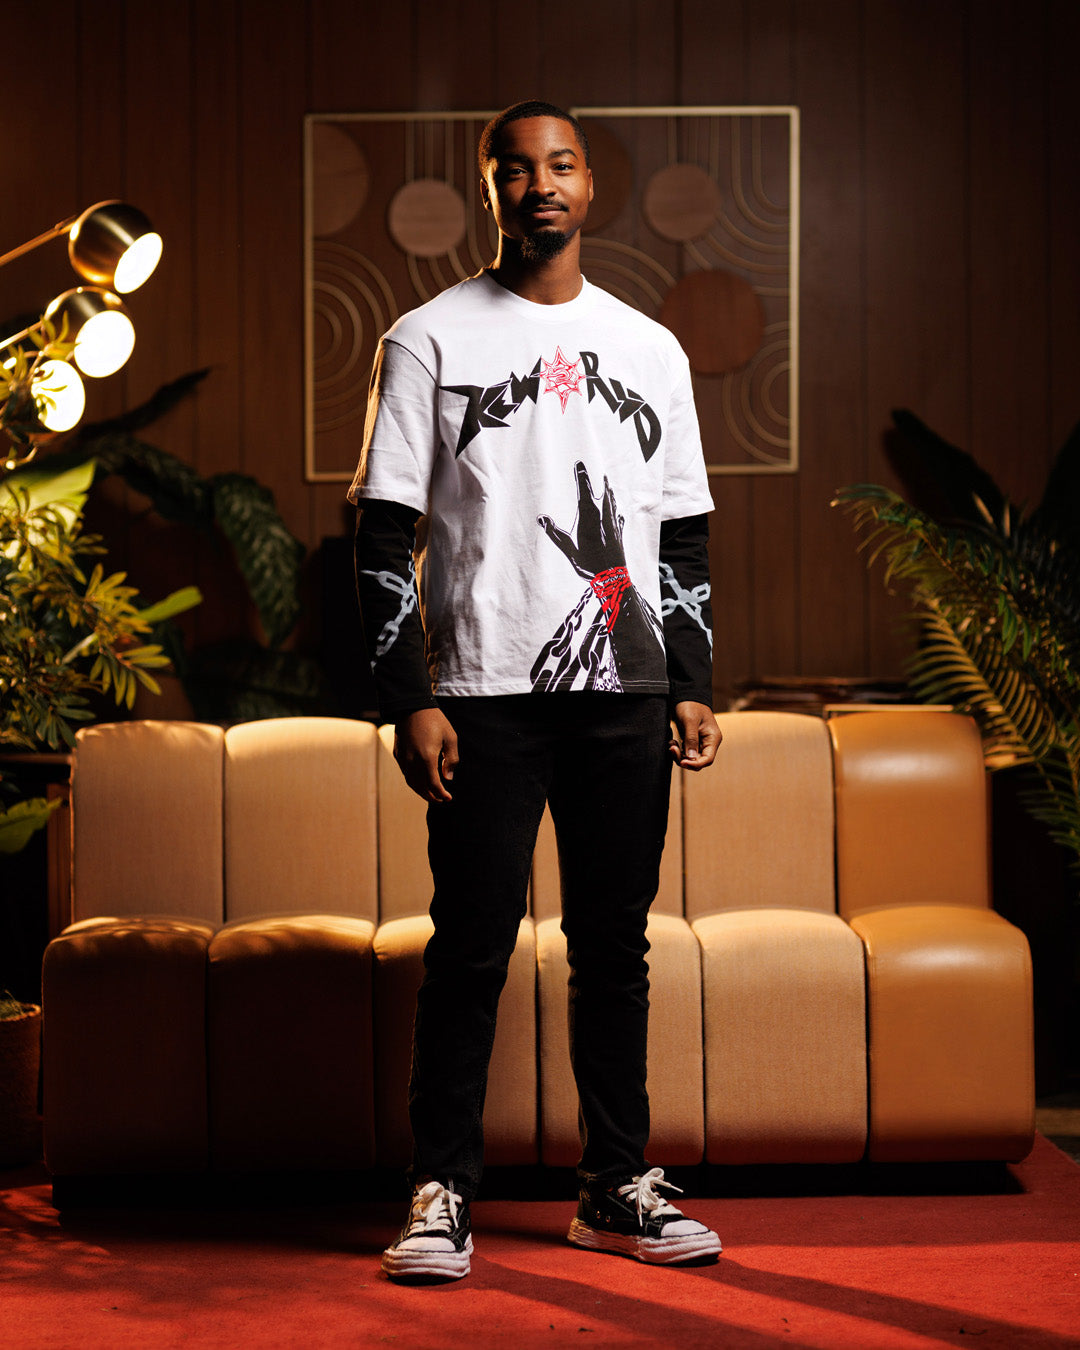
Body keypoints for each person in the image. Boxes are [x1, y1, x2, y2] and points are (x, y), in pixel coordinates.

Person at [350, 100, 722, 1283]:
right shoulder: (428, 339)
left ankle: (615, 1186)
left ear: (589, 187)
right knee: (471, 946)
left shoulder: (652, 347)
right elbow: (379, 532)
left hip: (625, 688)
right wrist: (409, 694)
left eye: (561, 165)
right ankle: (440, 1190)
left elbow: (686, 534)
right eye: (517, 168)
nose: (541, 185)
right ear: (490, 189)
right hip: (481, 693)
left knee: (614, 946)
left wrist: (692, 680)